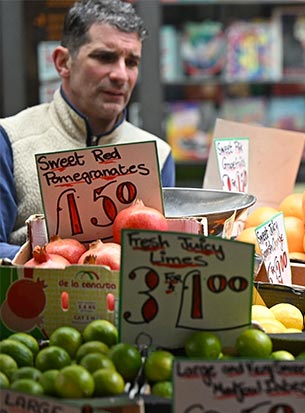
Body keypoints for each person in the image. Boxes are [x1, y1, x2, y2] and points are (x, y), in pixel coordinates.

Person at [0, 0, 175, 260]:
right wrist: (56, 264)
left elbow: (162, 258)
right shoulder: (11, 138)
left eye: (131, 62)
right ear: (63, 62)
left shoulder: (158, 154)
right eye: (105, 57)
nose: (121, 75)